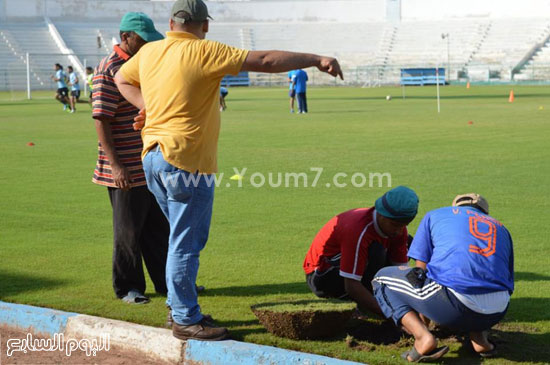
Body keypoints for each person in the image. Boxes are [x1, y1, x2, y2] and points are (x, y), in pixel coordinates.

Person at [114, 0, 343, 341]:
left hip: (152, 158)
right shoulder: (204, 51)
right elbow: (264, 61)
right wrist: (315, 59)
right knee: (185, 243)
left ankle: (179, 308)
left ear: (171, 22)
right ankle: (186, 319)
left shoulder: (150, 52)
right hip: (186, 160)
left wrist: (148, 106)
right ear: (204, 25)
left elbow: (121, 77)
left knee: (178, 238)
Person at [372, 193, 514, 363]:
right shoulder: (502, 229)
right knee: (480, 285)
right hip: (498, 309)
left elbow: (419, 272)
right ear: (485, 213)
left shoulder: (436, 214)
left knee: (381, 278)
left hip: (455, 306)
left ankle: (423, 338)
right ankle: (481, 342)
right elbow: (507, 281)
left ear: (455, 207)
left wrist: (423, 319)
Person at [92, 12, 169, 305]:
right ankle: (128, 288)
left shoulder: (140, 65)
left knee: (158, 229)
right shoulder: (108, 69)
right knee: (128, 231)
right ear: (125, 37)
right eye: (142, 39)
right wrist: (115, 166)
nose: (147, 44)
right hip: (124, 166)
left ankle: (166, 283)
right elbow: (101, 119)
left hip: (148, 163)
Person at [303, 186, 419, 316]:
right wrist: (393, 315)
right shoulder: (358, 231)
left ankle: (375, 298)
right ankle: (366, 301)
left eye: (404, 225)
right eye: (394, 225)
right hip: (321, 277)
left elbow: (400, 273)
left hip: (349, 266)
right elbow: (351, 285)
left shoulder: (399, 231)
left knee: (407, 242)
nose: (398, 230)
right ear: (381, 214)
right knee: (376, 251)